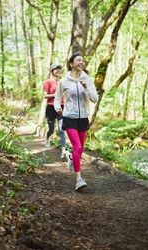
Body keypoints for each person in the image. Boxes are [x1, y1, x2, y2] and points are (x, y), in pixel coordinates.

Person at [54, 53, 98, 191]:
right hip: (69, 117)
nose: (82, 62)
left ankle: (71, 157)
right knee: (77, 147)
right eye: (78, 60)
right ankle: (79, 179)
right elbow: (56, 98)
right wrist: (58, 107)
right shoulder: (64, 81)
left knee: (80, 149)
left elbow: (95, 99)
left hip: (83, 118)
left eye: (83, 60)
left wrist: (86, 88)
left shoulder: (87, 79)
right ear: (71, 64)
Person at [43, 63, 66, 158]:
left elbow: (66, 95)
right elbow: (45, 96)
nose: (58, 71)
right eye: (56, 69)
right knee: (51, 130)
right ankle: (47, 137)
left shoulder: (63, 82)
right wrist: (56, 94)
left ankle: (63, 150)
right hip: (51, 107)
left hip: (61, 106)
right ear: (52, 72)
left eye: (59, 69)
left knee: (62, 130)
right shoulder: (48, 82)